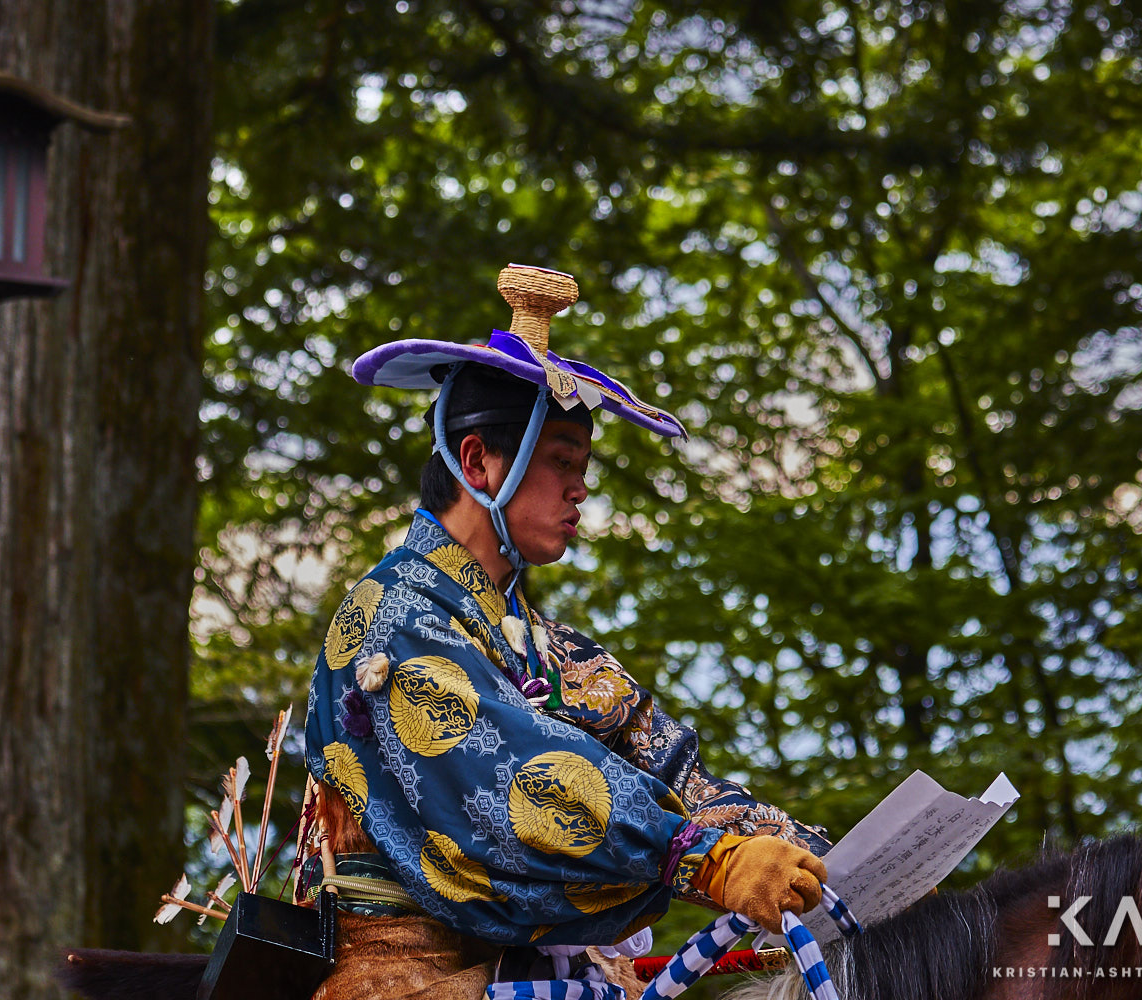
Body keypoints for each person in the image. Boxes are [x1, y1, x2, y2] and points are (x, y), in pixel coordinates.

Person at [300, 265, 829, 1000]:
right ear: (479, 461)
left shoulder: (549, 646)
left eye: (582, 466)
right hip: (411, 979)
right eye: (560, 462)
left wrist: (824, 865)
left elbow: (672, 769)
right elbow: (518, 774)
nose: (581, 489)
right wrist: (702, 856)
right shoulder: (393, 619)